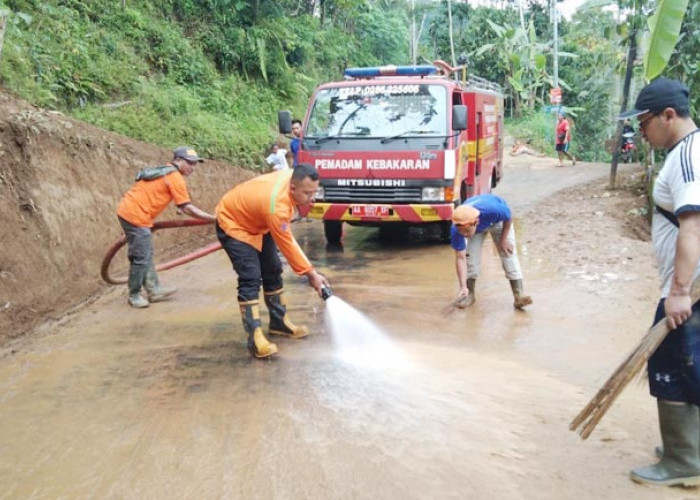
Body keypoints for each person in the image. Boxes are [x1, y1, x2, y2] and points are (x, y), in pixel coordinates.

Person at [619, 77, 700, 487]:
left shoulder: (689, 157)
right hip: (687, 284)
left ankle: (684, 461)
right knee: (690, 364)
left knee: (672, 365)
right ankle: (686, 447)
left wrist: (679, 292)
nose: (641, 132)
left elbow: (693, 225)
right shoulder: (687, 152)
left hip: (690, 289)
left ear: (669, 116)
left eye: (645, 122)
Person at [215, 163, 330, 359]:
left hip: (258, 219)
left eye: (314, 192)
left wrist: (310, 272)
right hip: (234, 223)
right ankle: (255, 338)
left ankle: (279, 323)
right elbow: (288, 245)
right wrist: (311, 274)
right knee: (251, 276)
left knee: (273, 269)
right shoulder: (276, 207)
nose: (312, 199)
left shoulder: (291, 179)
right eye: (307, 194)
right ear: (292, 188)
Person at [117, 146, 216, 308]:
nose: (192, 167)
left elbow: (169, 197)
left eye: (194, 164)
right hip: (136, 216)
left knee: (145, 252)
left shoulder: (165, 171)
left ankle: (154, 289)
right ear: (177, 160)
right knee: (140, 257)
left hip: (130, 211)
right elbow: (187, 208)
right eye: (189, 163)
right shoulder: (175, 177)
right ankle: (134, 295)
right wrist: (212, 219)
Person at [450, 194, 532, 310]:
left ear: (476, 222)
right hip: (477, 227)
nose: (465, 235)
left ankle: (518, 296)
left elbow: (508, 217)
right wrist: (462, 286)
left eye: (467, 231)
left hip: (498, 222)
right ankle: (470, 294)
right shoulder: (457, 228)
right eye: (462, 232)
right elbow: (460, 258)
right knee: (470, 257)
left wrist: (503, 240)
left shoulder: (494, 210)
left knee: (508, 254)